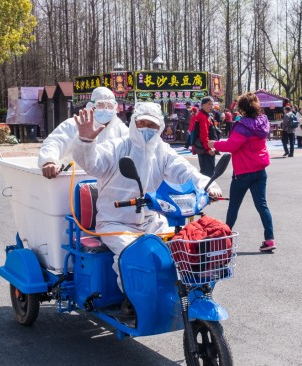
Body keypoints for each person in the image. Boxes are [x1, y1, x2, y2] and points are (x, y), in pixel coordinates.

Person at [72, 102, 221, 299]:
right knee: (132, 257)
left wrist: (207, 185)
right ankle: (134, 301)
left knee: (179, 249)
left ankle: (174, 296)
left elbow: (185, 171)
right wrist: (85, 142)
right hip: (114, 222)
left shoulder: (162, 151)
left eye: (152, 125)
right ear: (133, 123)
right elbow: (93, 164)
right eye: (141, 123)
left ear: (159, 127)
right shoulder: (118, 146)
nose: (146, 129)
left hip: (150, 220)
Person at [209, 92, 276, 252]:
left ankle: (224, 239)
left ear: (242, 108)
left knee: (234, 205)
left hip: (243, 171)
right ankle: (270, 239)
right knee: (262, 205)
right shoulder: (263, 121)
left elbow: (231, 146)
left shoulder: (242, 125)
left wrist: (214, 144)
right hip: (260, 169)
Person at [38, 87, 127, 178]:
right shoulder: (75, 124)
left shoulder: (120, 129)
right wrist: (49, 161)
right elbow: (55, 141)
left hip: (108, 182)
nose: (105, 109)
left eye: (109, 106)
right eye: (100, 105)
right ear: (91, 106)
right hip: (73, 180)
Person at [193, 96, 219, 176]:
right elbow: (204, 135)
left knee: (205, 171)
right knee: (208, 172)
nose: (211, 106)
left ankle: (204, 188)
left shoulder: (205, 115)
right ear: (202, 105)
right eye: (208, 104)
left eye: (212, 104)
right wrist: (208, 149)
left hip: (205, 147)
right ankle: (206, 188)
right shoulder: (202, 116)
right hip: (205, 148)